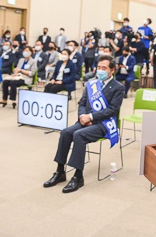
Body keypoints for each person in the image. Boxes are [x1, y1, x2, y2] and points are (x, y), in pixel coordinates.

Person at [43, 55, 124, 193]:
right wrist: (82, 116)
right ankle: (60, 171)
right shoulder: (91, 84)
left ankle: (78, 176)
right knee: (66, 132)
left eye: (104, 68)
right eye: (98, 67)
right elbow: (82, 103)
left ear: (112, 70)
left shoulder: (118, 87)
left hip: (104, 124)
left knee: (79, 135)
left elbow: (112, 110)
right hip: (85, 119)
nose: (100, 70)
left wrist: (91, 116)